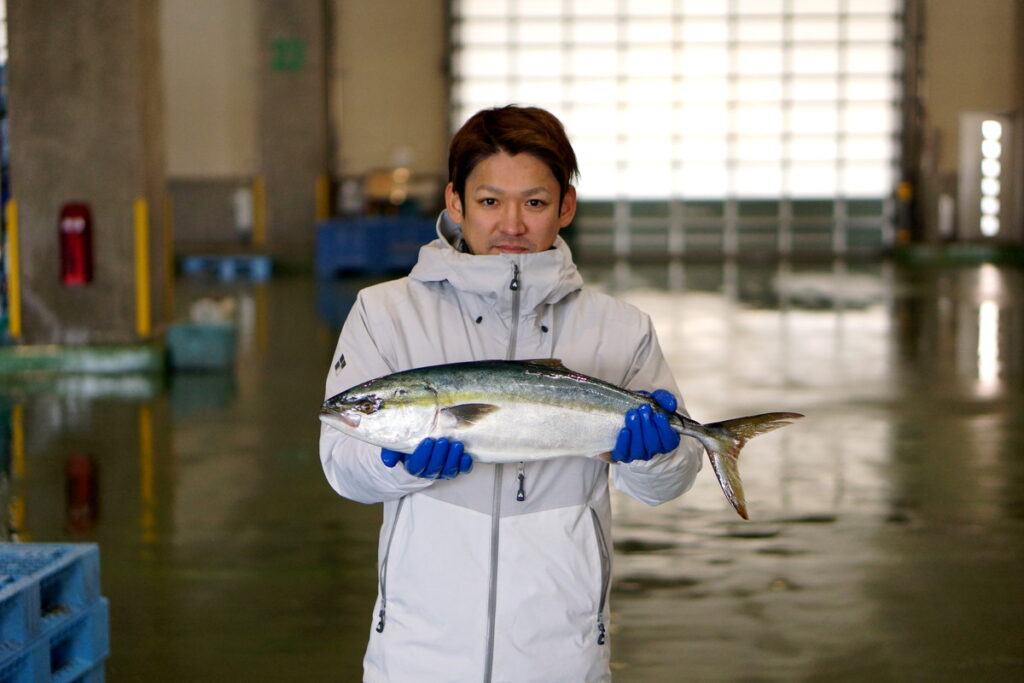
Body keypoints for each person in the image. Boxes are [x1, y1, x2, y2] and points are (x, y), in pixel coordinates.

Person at [320, 105, 702, 682]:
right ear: (456, 202)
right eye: (490, 201)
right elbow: (342, 467)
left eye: (536, 202)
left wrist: (660, 455)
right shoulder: (385, 313)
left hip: (563, 654)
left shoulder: (620, 329)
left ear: (566, 207)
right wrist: (394, 464)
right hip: (417, 654)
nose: (512, 225)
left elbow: (666, 486)